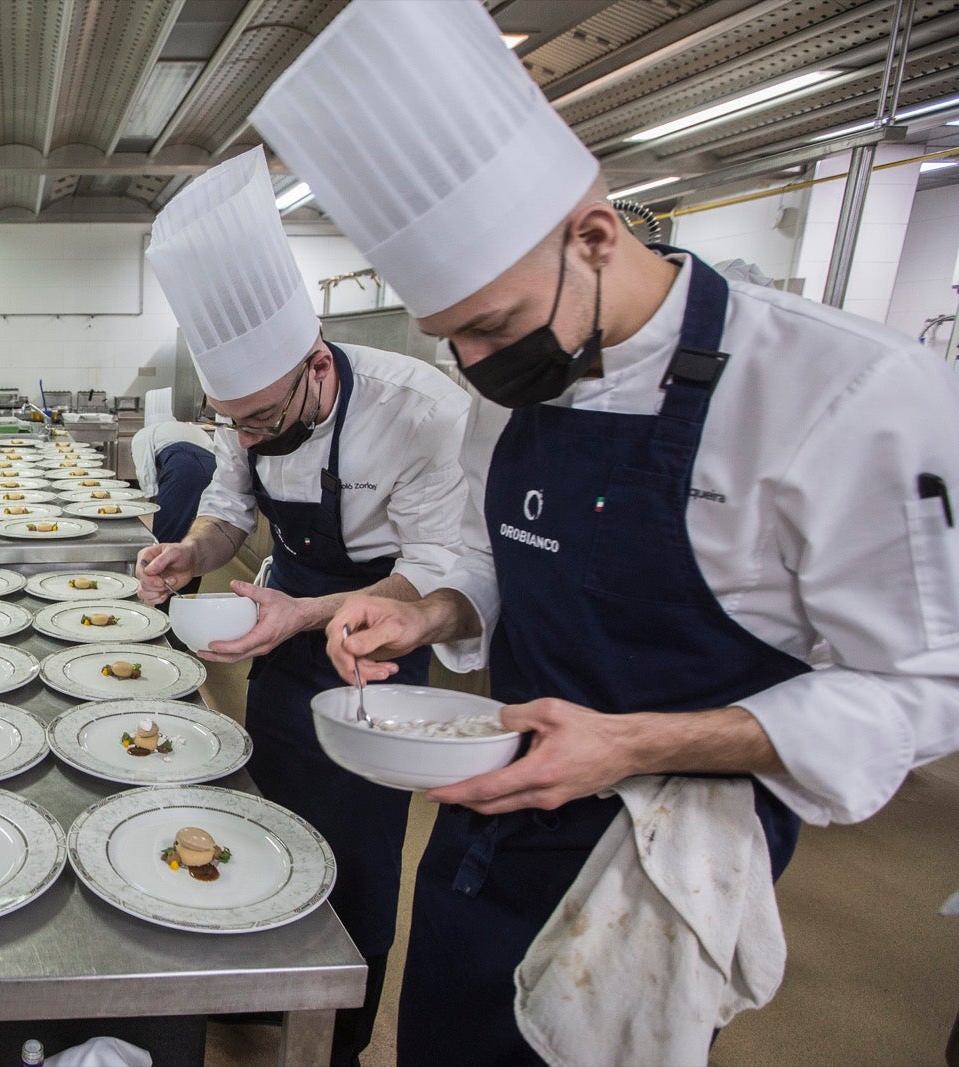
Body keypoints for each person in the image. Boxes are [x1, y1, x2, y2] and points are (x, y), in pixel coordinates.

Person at [252, 3, 959, 1064]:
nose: (480, 363)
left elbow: (923, 682)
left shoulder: (849, 389)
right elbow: (501, 558)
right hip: (494, 796)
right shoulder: (515, 376)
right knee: (444, 1031)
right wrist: (421, 608)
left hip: (668, 836)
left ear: (594, 233)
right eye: (451, 340)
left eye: (492, 324)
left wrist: (634, 741)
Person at [139, 146, 469, 1066]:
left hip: (379, 650)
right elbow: (226, 511)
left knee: (357, 855)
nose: (241, 436)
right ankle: (259, 992)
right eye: (228, 420)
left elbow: (439, 572)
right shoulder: (248, 409)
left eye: (258, 420)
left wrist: (314, 612)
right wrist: (187, 555)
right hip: (284, 634)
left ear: (316, 367)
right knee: (264, 815)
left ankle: (338, 1036)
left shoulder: (423, 410)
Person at [130, 389, 216, 594]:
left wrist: (156, 512)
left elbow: (147, 480)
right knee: (196, 536)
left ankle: (165, 597)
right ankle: (187, 593)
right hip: (215, 472)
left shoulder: (145, 434)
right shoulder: (191, 428)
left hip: (183, 474)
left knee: (167, 540)